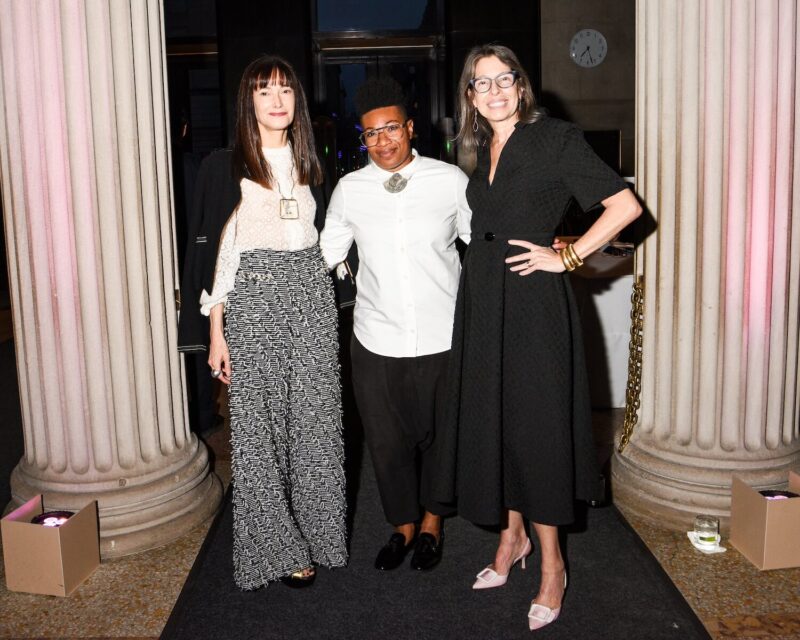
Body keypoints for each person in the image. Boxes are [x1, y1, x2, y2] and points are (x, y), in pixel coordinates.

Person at [434, 44, 641, 630]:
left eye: (506, 79)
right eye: (482, 83)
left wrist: (569, 255)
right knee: (496, 423)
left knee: (536, 432)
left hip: (532, 309)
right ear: (469, 97)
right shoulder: (481, 148)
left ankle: (553, 566)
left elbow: (624, 206)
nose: (495, 90)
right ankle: (511, 539)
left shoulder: (555, 139)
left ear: (522, 86)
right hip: (483, 304)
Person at [183, 54, 347, 590]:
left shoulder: (312, 163)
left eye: (284, 90)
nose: (277, 101)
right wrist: (216, 332)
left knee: (318, 424)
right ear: (247, 102)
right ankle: (274, 547)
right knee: (258, 432)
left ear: (297, 99)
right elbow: (221, 254)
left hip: (311, 297)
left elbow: (326, 239)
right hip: (253, 298)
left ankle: (321, 534)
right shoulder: (225, 166)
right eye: (263, 92)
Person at [320, 77, 471, 572]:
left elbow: (480, 245)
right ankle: (401, 526)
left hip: (441, 334)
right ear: (361, 140)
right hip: (376, 337)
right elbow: (324, 256)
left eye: (391, 129)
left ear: (410, 129)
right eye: (370, 134)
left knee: (439, 436)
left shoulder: (449, 180)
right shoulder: (350, 189)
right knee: (386, 440)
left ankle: (431, 524)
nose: (382, 142)